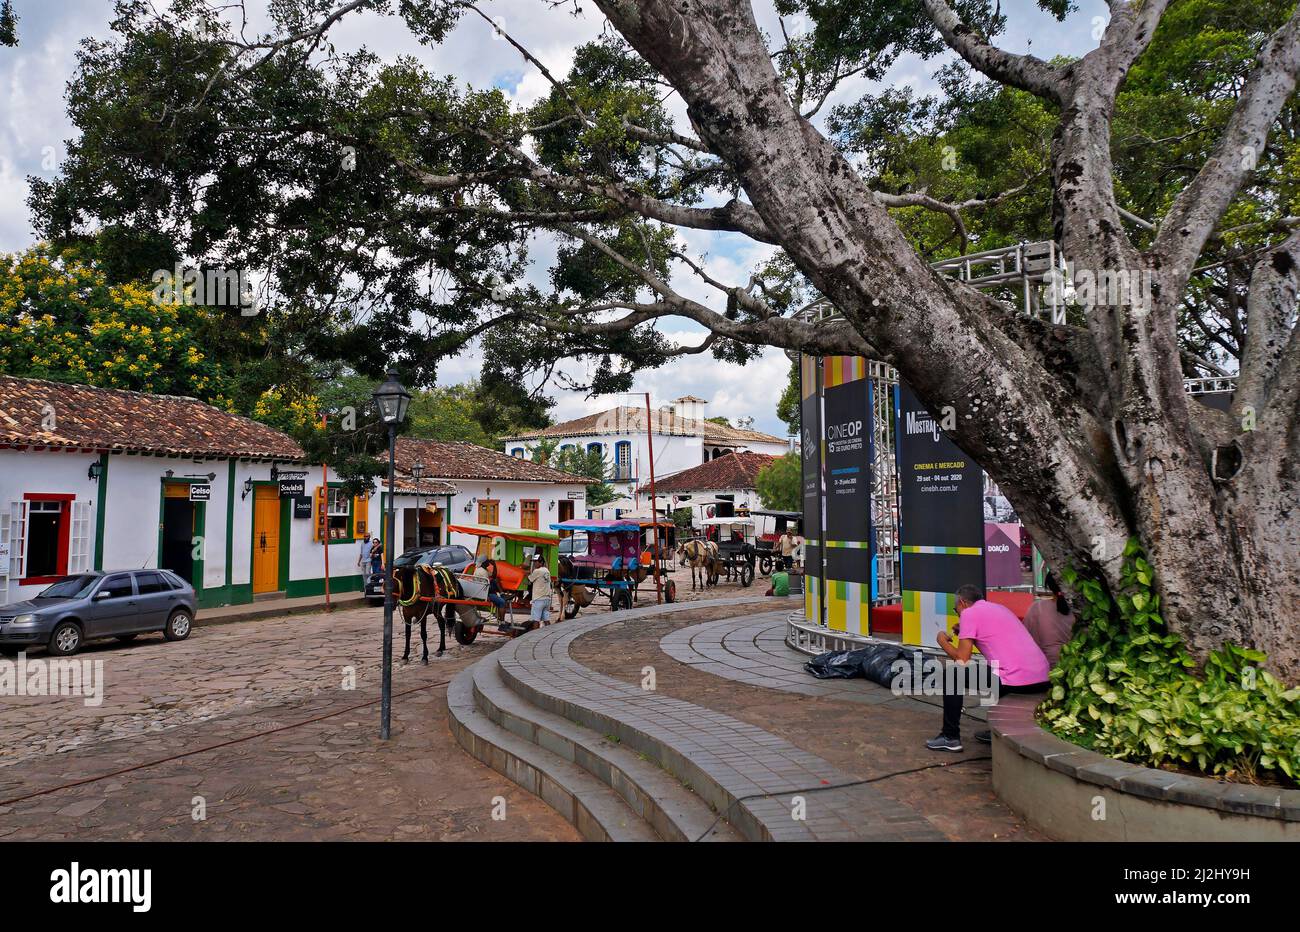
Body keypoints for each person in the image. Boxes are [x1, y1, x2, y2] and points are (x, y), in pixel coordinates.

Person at [927, 584, 1050, 752]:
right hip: (1042, 677)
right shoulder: (1000, 608)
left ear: (962, 603)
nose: (959, 614)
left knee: (953, 674)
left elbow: (962, 659)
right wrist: (965, 630)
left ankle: (950, 737)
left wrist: (942, 641)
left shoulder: (969, 613)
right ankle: (998, 730)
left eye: (956, 610)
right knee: (993, 669)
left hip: (1015, 680)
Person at [1021, 572, 1075, 666]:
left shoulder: (1038, 608)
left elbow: (1026, 639)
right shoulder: (1082, 611)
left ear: (1049, 586)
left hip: (1045, 664)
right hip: (1076, 664)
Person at [526, 552, 553, 627]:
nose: (534, 564)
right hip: (547, 599)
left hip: (538, 599)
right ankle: (549, 632)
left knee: (536, 620)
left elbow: (530, 579)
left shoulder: (537, 571)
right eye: (534, 562)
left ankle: (535, 633)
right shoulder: (547, 571)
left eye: (536, 562)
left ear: (541, 563)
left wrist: (526, 574)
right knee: (546, 620)